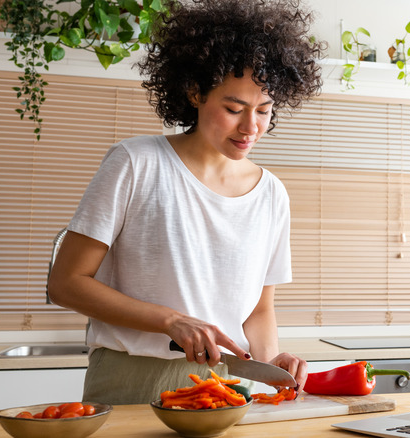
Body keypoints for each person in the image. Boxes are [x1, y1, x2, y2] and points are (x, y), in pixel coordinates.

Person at [47, 0, 324, 405]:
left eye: (264, 111)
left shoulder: (271, 194)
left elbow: (259, 310)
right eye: (234, 109)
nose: (251, 127)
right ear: (195, 92)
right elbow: (66, 283)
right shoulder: (135, 163)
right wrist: (171, 321)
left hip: (226, 388)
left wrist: (269, 362)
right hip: (131, 380)